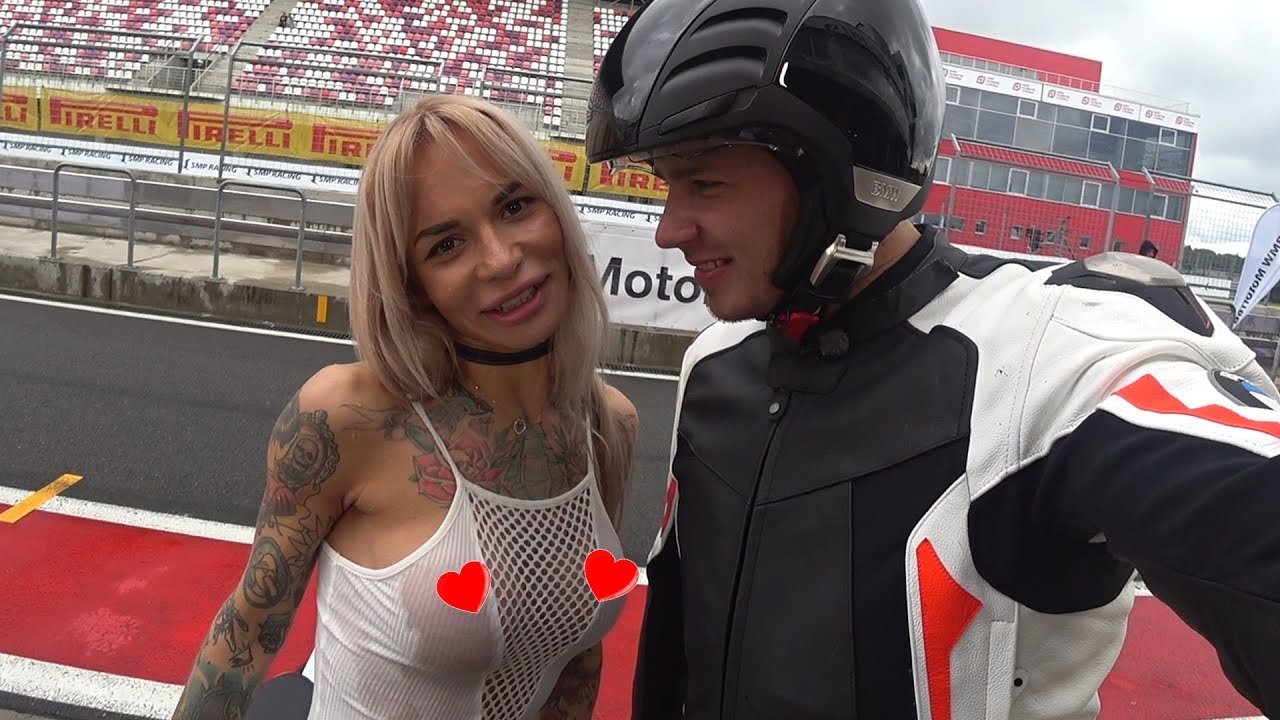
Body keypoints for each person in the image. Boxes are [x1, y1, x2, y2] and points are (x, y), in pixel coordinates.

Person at [586, 1, 1280, 718]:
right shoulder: (715, 361)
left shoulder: (1047, 357)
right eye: (668, 185)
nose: (669, 230)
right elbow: (675, 649)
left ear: (842, 173)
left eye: (704, 183)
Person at [171, 94, 640, 720]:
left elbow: (577, 661)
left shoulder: (609, 424)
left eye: (515, 206)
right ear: (411, 284)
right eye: (447, 245)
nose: (501, 259)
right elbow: (246, 638)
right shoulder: (346, 415)